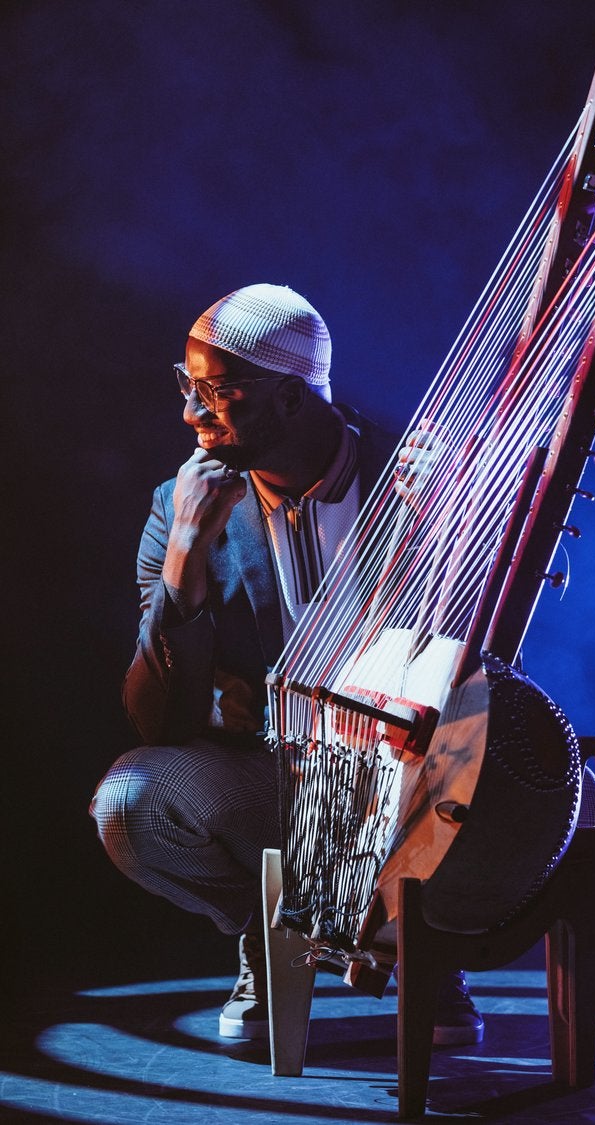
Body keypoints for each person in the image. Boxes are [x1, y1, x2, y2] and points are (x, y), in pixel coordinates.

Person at [91, 283, 484, 1046]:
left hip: (405, 784)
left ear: (293, 400)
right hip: (270, 780)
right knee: (131, 800)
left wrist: (451, 534)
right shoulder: (180, 504)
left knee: (460, 757)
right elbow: (159, 722)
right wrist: (183, 560)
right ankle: (275, 941)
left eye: (219, 391)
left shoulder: (413, 477)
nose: (191, 414)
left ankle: (425, 949)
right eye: (189, 385)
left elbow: (482, 671)